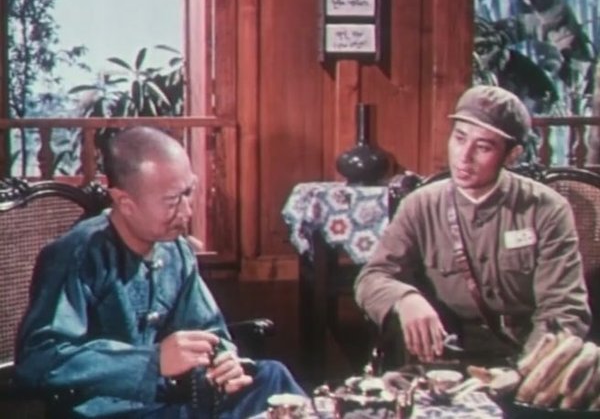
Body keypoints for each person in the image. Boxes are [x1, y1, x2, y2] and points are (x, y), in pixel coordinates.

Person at [15, 126, 305, 418]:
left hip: (170, 397)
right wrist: (152, 362)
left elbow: (208, 328)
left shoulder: (175, 250)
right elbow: (39, 360)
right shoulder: (77, 255)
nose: (187, 211)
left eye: (188, 193)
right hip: (106, 409)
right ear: (126, 203)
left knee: (271, 378)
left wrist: (223, 359)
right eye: (172, 201)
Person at [354, 85, 591, 366]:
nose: (464, 156)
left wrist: (529, 370)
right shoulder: (420, 205)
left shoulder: (546, 209)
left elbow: (564, 308)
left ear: (512, 155)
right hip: (445, 359)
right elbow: (371, 278)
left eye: (483, 147)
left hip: (528, 355)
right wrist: (405, 299)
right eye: (459, 138)